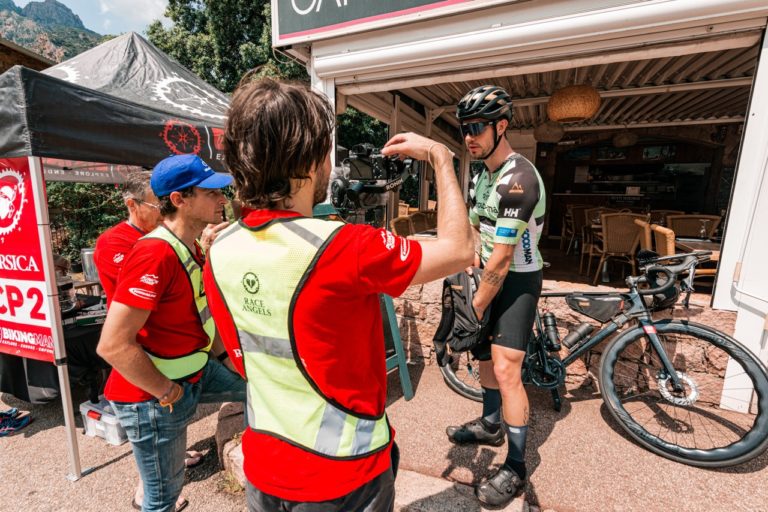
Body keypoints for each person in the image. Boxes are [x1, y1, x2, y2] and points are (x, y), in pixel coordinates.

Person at [202, 77, 474, 511]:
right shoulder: (344, 247)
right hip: (345, 475)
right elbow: (459, 249)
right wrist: (441, 157)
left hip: (266, 466)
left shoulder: (220, 249)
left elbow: (238, 357)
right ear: (310, 162)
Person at [97, 154, 246, 512]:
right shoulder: (154, 253)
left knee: (260, 389)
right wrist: (168, 393)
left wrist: (229, 361)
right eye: (211, 193)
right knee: (162, 500)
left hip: (193, 372)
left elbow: (201, 313)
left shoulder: (188, 245)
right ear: (179, 199)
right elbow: (113, 345)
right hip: (152, 398)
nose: (222, 199)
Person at [445, 85, 546, 507]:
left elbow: (503, 259)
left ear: (501, 126)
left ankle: (517, 466)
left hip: (517, 280)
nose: (469, 136)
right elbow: (473, 228)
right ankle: (490, 424)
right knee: (485, 356)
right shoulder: (480, 174)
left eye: (478, 127)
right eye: (465, 128)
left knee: (506, 371)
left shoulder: (518, 178)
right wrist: (469, 264)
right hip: (486, 275)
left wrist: (473, 310)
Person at [93, 170, 207, 511]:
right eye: (157, 205)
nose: (164, 212)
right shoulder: (122, 243)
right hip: (147, 368)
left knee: (164, 439)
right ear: (132, 205)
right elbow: (123, 328)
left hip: (176, 359)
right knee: (159, 488)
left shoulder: (170, 239)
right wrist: (164, 390)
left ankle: (164, 464)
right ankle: (148, 488)